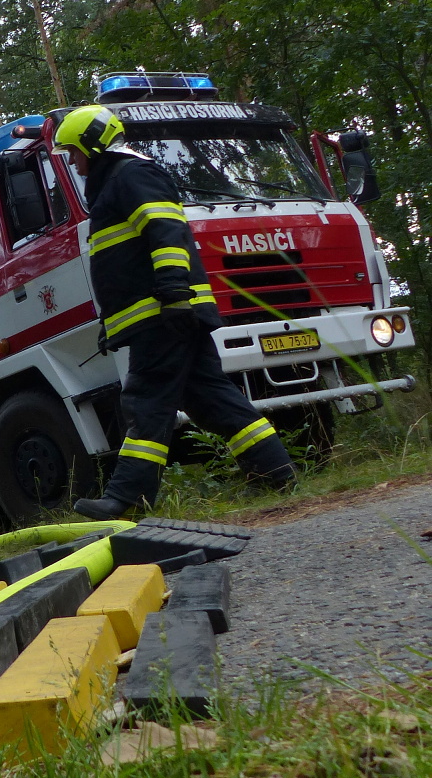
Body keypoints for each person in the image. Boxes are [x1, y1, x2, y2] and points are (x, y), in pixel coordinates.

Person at [51, 104, 297, 520]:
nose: (72, 162)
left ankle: (127, 496)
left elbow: (166, 231)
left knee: (146, 400)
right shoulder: (117, 182)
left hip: (164, 311)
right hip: (162, 310)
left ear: (92, 145)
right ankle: (275, 472)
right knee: (211, 398)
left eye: (73, 151)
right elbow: (123, 263)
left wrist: (173, 291)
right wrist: (111, 320)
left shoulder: (131, 175)